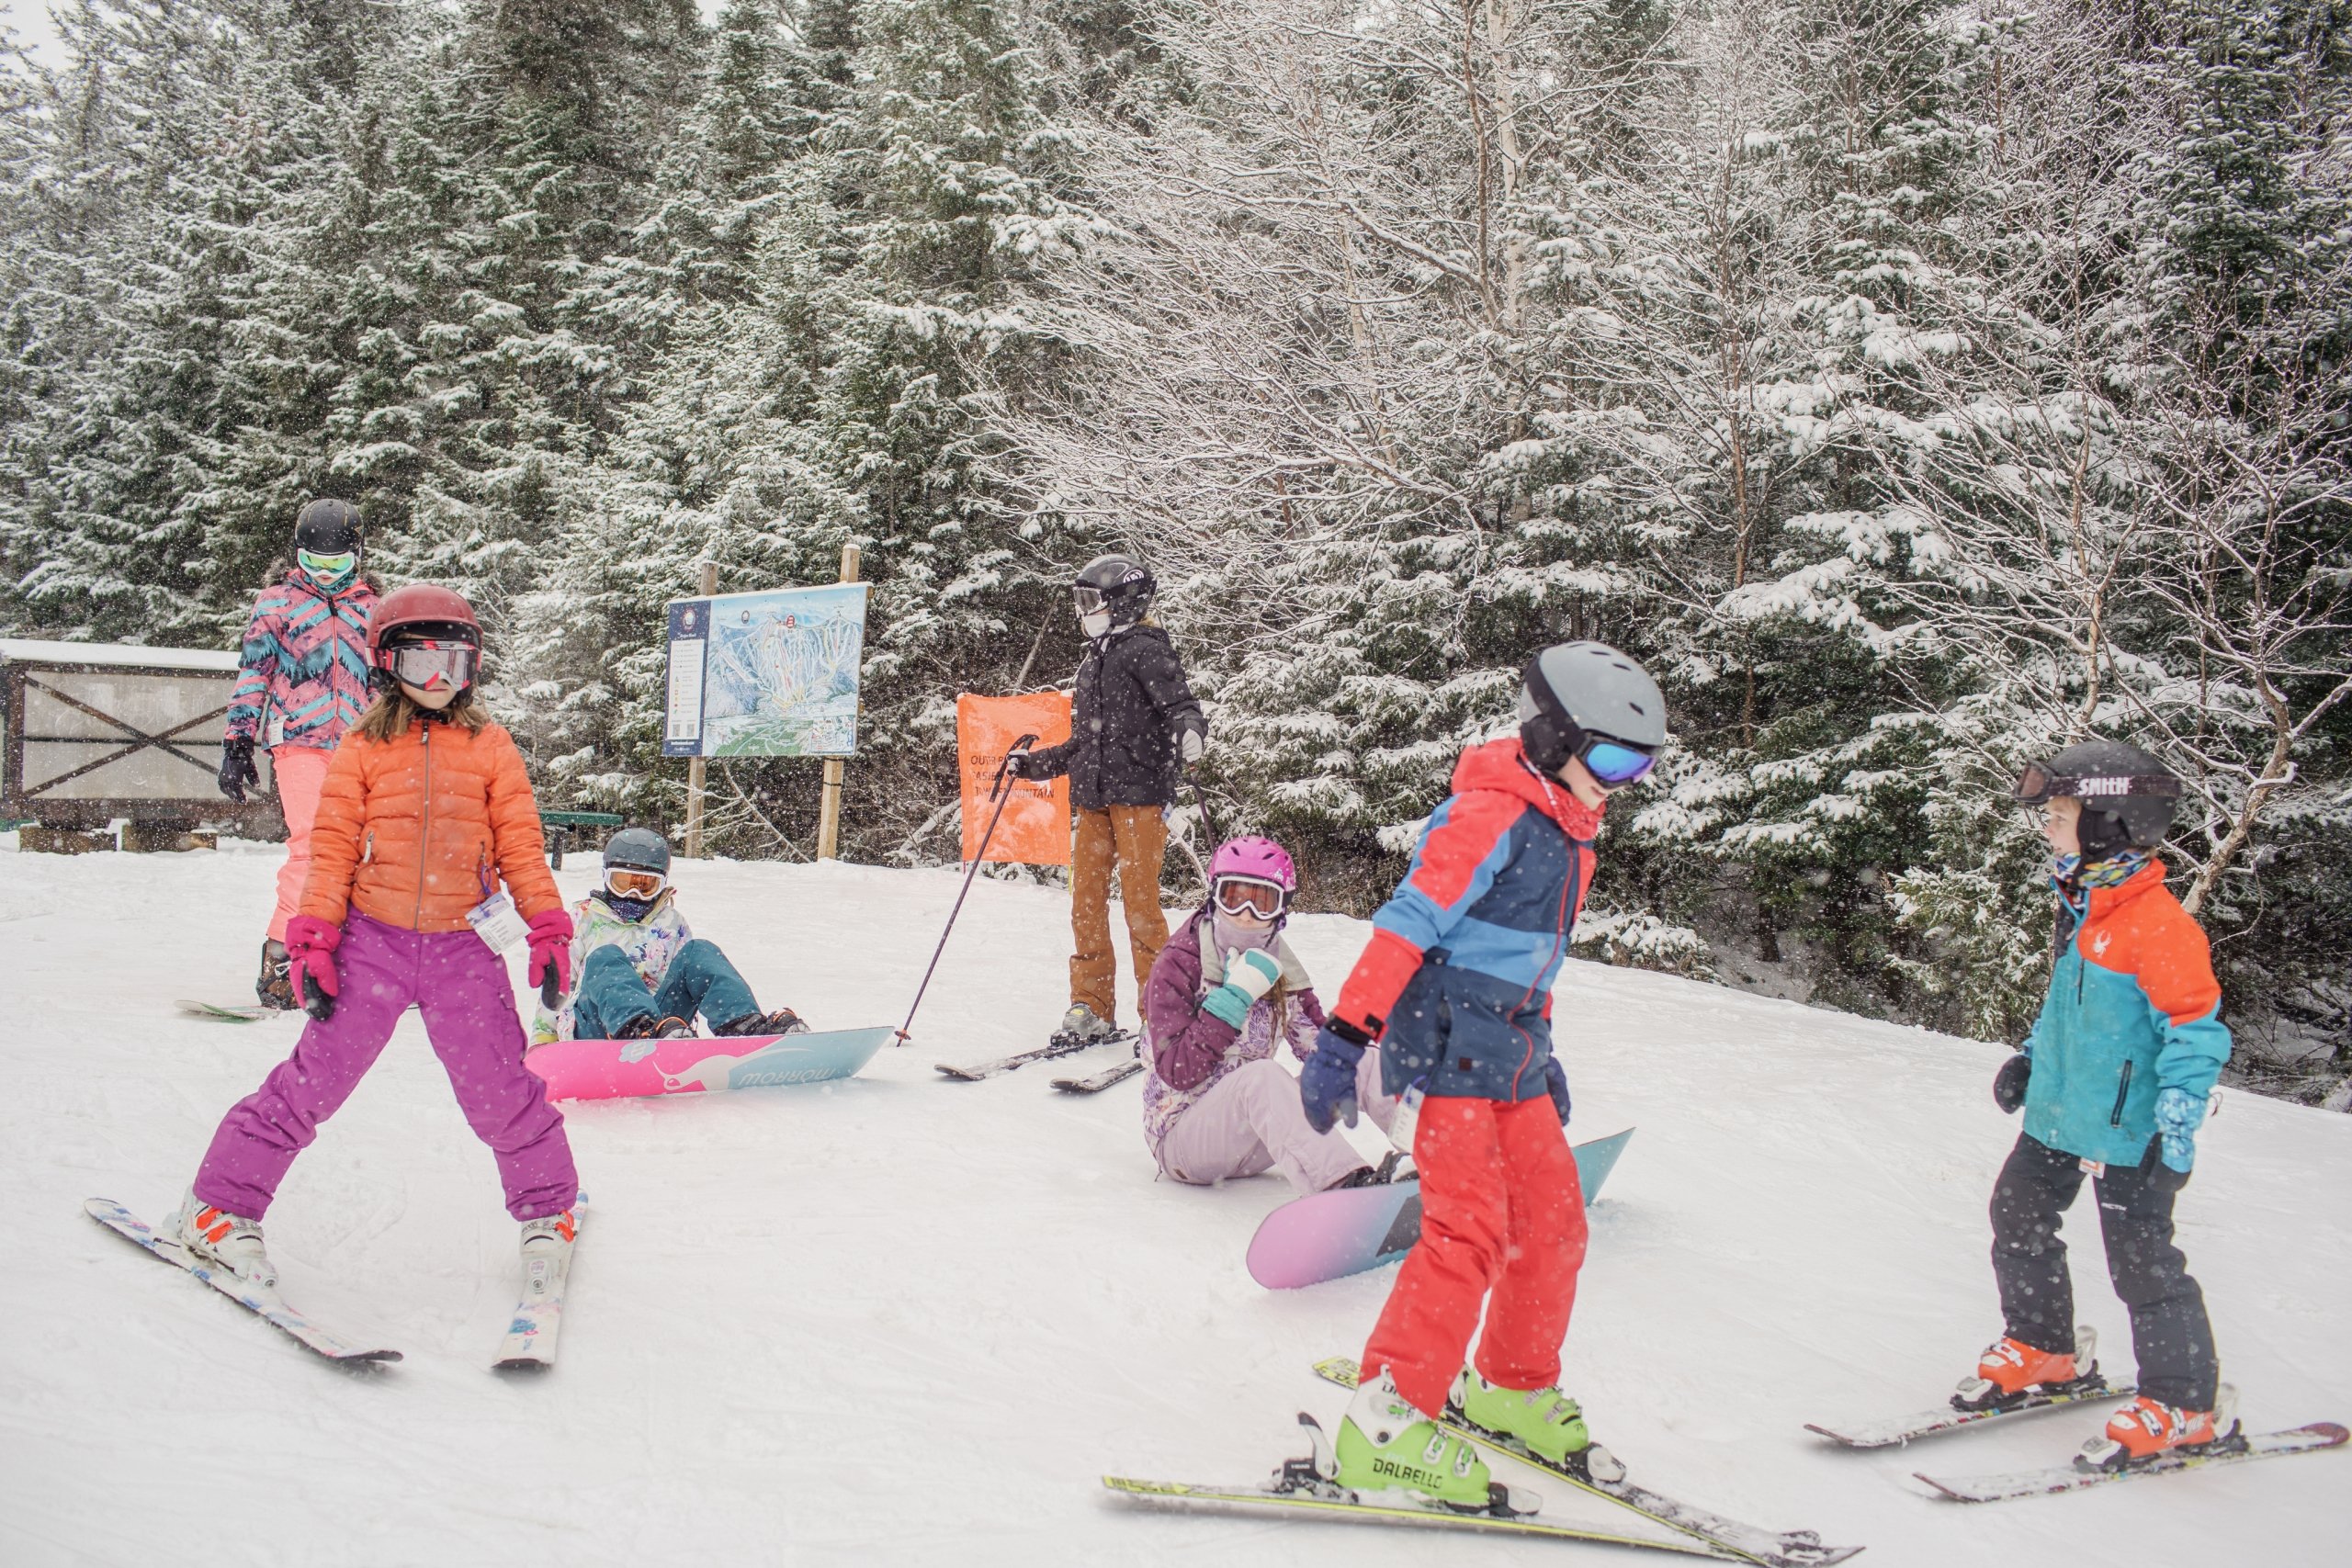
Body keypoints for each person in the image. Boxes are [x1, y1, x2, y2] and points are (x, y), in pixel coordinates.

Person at [1297, 642, 1667, 1508]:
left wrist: (1545, 1048)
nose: (1620, 782)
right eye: (1610, 758)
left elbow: (1526, 967)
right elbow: (1407, 928)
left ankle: (1510, 1387)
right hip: (1446, 1058)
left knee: (1553, 1223)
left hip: (1512, 1060)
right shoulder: (1492, 814)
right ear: (1550, 738)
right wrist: (1345, 1040)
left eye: (1639, 766)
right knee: (1466, 1233)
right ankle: (1384, 1424)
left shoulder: (1570, 832)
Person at [172, 584, 581, 1285]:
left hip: (465, 948)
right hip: (374, 944)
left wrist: (545, 924)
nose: (439, 679)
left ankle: (549, 1210)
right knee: (313, 1083)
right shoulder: (361, 747)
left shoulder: (491, 746)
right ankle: (216, 1206)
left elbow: (520, 843)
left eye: (454, 662)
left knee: (500, 1088)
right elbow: (330, 851)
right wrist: (314, 940)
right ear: (387, 664)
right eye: (422, 662)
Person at [1962, 739, 2235, 1470]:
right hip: (2061, 1111)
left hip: (2131, 1128)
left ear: (2113, 822)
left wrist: (2177, 1117)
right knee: (2017, 1213)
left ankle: (2185, 1402)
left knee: (2142, 1262)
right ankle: (2046, 1347)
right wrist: (2029, 1056)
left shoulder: (2161, 925)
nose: (2049, 828)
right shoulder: (2084, 902)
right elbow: (2066, 1007)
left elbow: (2194, 1028)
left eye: (2059, 814)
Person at [1005, 554, 1206, 1045]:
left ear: (1123, 602)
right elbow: (1084, 742)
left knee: (1140, 905)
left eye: (1092, 600)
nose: (1084, 611)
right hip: (1095, 799)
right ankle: (1091, 1006)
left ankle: (1159, 1011)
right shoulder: (1094, 659)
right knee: (1086, 902)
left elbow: (1181, 705)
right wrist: (1034, 765)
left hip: (1139, 798)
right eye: (1081, 601)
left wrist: (1190, 733)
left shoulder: (1145, 650)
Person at [1141, 836, 1398, 1194]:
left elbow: (1320, 1052)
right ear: (1214, 897)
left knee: (1359, 1059)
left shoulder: (1281, 965)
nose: (1247, 913)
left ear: (1281, 908)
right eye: (1234, 896)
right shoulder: (1180, 962)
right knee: (1259, 1076)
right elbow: (1177, 1072)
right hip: (1184, 1141)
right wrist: (1232, 1000)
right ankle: (1343, 1189)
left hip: (1256, 1135)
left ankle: (1442, 1155)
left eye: (1262, 901)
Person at [218, 499, 379, 1010]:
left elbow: (389, 683)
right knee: (312, 849)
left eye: (338, 565)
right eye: (314, 563)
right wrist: (239, 739)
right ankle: (284, 961)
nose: (325, 575)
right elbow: (254, 674)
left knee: (369, 854)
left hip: (362, 746)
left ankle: (365, 960)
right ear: (297, 554)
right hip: (300, 743)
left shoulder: (374, 609)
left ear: (358, 555)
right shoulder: (277, 603)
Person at [530, 827, 808, 1044]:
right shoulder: (581, 918)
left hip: (661, 1027)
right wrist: (543, 1038)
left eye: (646, 886)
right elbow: (557, 986)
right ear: (605, 878)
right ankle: (635, 1031)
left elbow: (688, 979)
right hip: (595, 1024)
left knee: (700, 952)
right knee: (606, 956)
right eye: (623, 883)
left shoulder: (672, 923)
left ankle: (744, 1026)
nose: (634, 894)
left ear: (662, 885)